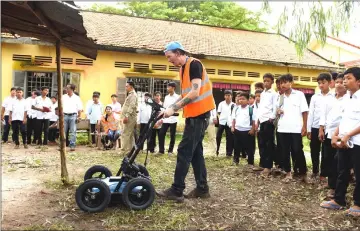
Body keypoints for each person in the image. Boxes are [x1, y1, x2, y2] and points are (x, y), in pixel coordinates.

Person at [157, 41, 215, 202]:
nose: (169, 60)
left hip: (200, 115)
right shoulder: (183, 69)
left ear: (178, 52)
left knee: (184, 150)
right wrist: (168, 109)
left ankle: (177, 190)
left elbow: (195, 92)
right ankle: (202, 189)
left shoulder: (194, 64)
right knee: (196, 153)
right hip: (194, 115)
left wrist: (173, 109)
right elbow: (185, 95)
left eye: (169, 57)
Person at [320, 67, 360, 217]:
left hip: (357, 143)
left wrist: (348, 135)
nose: (345, 81)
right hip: (343, 141)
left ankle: (357, 204)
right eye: (345, 78)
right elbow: (342, 120)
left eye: (349, 78)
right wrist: (336, 135)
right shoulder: (347, 99)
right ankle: (339, 200)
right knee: (341, 171)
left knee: (359, 173)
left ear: (359, 81)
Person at [318, 73, 346, 198]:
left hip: (341, 135)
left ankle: (336, 189)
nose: (339, 84)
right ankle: (331, 185)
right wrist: (321, 129)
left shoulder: (348, 100)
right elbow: (324, 116)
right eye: (338, 82)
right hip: (328, 133)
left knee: (338, 162)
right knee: (328, 159)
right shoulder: (329, 99)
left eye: (342, 82)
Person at [277, 74, 308, 183]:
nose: (283, 85)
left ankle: (303, 172)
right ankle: (288, 173)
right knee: (284, 151)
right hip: (283, 128)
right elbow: (276, 112)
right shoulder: (280, 97)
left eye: (285, 82)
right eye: (281, 83)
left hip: (296, 128)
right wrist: (277, 111)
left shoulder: (299, 95)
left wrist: (305, 126)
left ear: (291, 83)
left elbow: (305, 111)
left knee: (297, 150)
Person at [307, 73, 334, 183]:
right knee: (314, 150)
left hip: (328, 128)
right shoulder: (315, 97)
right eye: (319, 83)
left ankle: (324, 173)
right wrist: (309, 129)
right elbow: (311, 113)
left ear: (329, 82)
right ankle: (315, 170)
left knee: (326, 152)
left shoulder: (334, 96)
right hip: (315, 126)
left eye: (323, 83)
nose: (321, 85)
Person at [257, 73, 278, 177]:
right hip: (262, 120)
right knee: (262, 143)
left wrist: (272, 117)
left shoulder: (274, 93)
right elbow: (261, 107)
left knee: (269, 144)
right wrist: (258, 120)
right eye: (264, 81)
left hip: (269, 121)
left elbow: (275, 106)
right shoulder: (263, 93)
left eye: (268, 81)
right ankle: (263, 164)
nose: (266, 83)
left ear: (272, 82)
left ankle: (268, 167)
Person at [231, 92, 256, 166]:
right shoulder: (236, 109)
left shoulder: (251, 109)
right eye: (240, 99)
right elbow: (233, 119)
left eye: (243, 99)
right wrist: (233, 127)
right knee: (236, 146)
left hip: (247, 131)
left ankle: (250, 162)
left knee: (249, 148)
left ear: (248, 101)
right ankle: (236, 160)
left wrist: (253, 129)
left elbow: (254, 121)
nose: (241, 100)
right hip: (237, 130)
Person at [158, 82, 180, 155]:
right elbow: (164, 107)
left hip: (173, 118)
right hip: (166, 119)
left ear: (173, 88)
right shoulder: (166, 97)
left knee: (172, 135)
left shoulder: (178, 97)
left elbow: (179, 107)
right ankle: (161, 150)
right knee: (161, 133)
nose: (167, 88)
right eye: (167, 87)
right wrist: (162, 116)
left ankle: (170, 151)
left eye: (169, 87)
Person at [62, 84, 83, 151]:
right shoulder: (63, 97)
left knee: (73, 131)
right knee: (63, 131)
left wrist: (79, 117)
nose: (66, 89)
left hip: (73, 116)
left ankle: (72, 145)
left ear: (72, 89)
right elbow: (59, 106)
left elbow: (79, 108)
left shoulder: (77, 98)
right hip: (64, 115)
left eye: (68, 88)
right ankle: (62, 145)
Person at [120, 80, 138, 155]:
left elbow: (132, 106)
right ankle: (131, 150)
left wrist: (126, 116)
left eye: (127, 86)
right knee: (130, 134)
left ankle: (123, 151)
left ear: (131, 86)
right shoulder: (130, 94)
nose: (126, 87)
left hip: (130, 117)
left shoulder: (133, 95)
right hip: (130, 116)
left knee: (125, 133)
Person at [216, 90, 235, 157]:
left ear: (231, 96)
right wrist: (219, 119)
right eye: (226, 95)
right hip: (222, 122)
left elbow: (234, 115)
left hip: (229, 123)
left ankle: (228, 153)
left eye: (229, 95)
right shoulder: (221, 104)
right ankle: (217, 150)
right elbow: (219, 113)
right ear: (224, 96)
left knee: (229, 138)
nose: (227, 97)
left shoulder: (234, 105)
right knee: (218, 137)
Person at [253, 89, 264, 171]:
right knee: (260, 145)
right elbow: (255, 117)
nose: (257, 98)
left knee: (265, 146)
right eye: (256, 96)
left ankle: (266, 164)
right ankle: (261, 163)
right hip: (258, 128)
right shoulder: (254, 105)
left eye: (259, 96)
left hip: (264, 127)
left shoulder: (264, 105)